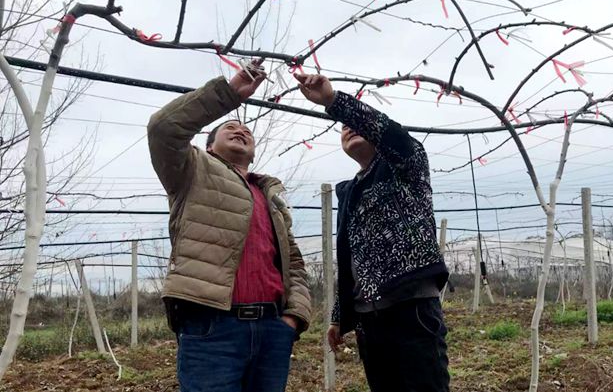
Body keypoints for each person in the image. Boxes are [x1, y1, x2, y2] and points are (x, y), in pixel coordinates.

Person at [147, 60, 311, 392]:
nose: (240, 130)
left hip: (272, 330)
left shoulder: (269, 195)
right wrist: (229, 94)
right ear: (209, 146)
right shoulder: (191, 170)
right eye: (229, 128)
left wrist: (292, 318)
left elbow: (293, 262)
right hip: (212, 329)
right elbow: (163, 128)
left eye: (246, 131)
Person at [295, 73, 450, 392]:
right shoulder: (351, 192)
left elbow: (389, 133)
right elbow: (351, 259)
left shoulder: (406, 167)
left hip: (411, 311)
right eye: (343, 128)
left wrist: (333, 102)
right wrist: (340, 316)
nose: (347, 128)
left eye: (354, 124)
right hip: (369, 320)